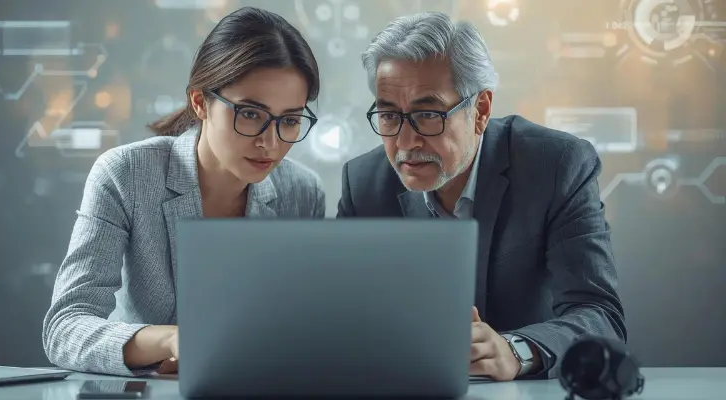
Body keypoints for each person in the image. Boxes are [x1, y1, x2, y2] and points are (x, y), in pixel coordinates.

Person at [337, 12, 626, 381]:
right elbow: (340, 314)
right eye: (389, 116)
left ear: (481, 110)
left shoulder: (555, 165)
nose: (406, 142)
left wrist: (516, 350)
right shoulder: (363, 183)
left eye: (428, 114)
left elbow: (601, 316)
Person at [42, 6, 325, 376]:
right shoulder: (126, 174)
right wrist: (172, 340)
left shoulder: (302, 192)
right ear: (200, 102)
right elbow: (65, 328)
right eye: (250, 114)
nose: (270, 143)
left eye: (289, 120)